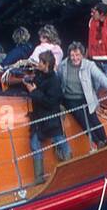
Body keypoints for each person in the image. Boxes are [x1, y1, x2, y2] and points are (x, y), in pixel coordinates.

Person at [22, 52, 71, 184]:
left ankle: (71, 166)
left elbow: (51, 102)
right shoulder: (40, 75)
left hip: (50, 118)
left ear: (47, 65)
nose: (38, 64)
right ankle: (39, 178)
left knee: (60, 140)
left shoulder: (53, 82)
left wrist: (33, 92)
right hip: (39, 117)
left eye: (40, 62)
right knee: (35, 143)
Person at [58, 41, 107, 150]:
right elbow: (58, 79)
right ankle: (98, 143)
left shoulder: (89, 65)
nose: (75, 58)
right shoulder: (63, 65)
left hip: (86, 97)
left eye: (77, 55)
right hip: (70, 99)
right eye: (72, 55)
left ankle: (105, 140)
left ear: (82, 55)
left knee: (94, 119)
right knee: (83, 120)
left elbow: (100, 76)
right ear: (69, 55)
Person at [87, 5, 107, 77]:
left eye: (94, 12)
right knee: (97, 87)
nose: (92, 14)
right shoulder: (91, 23)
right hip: (95, 62)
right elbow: (88, 41)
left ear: (101, 14)